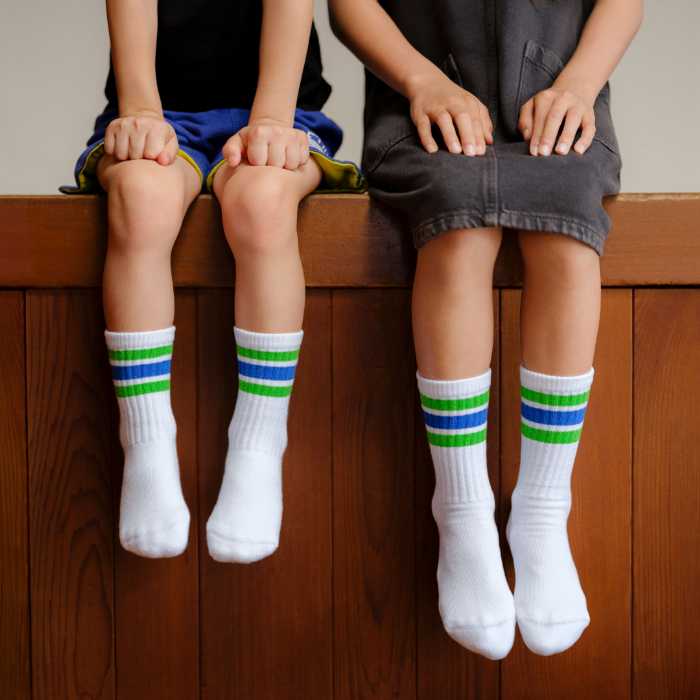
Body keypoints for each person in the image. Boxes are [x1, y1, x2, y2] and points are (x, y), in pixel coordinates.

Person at [329, 0, 641, 658]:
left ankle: (543, 508)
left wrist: (580, 83)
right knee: (459, 224)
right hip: (423, 101)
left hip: (560, 97)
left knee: (566, 225)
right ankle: (462, 506)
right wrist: (421, 80)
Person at [62, 0, 363, 563]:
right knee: (141, 197)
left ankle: (259, 444)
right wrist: (140, 110)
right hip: (158, 109)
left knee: (263, 200)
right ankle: (146, 443)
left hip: (280, 109)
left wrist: (272, 120)